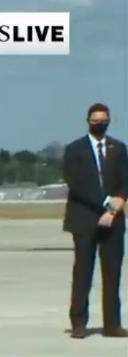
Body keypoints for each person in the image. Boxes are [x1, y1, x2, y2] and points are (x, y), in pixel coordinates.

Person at [62, 103, 127, 338]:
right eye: (95, 120)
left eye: (103, 120)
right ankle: (79, 323)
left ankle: (112, 324)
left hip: (113, 220)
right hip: (84, 218)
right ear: (88, 121)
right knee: (83, 272)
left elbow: (125, 181)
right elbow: (76, 184)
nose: (99, 124)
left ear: (109, 121)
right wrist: (106, 203)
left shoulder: (118, 148)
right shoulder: (74, 150)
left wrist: (115, 207)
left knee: (112, 273)